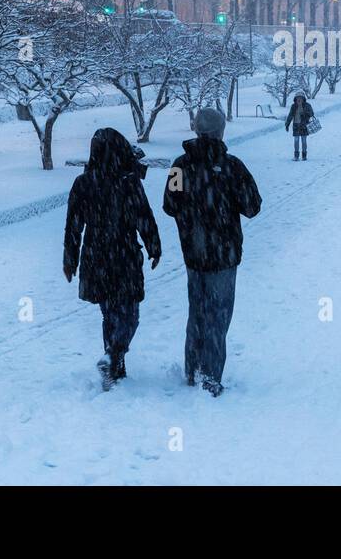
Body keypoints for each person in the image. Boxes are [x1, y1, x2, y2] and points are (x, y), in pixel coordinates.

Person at [162, 108, 262, 396]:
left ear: (196, 131)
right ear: (220, 132)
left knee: (197, 313)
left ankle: (192, 368)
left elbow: (170, 205)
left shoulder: (180, 166)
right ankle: (211, 376)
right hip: (224, 255)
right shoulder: (232, 167)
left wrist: (192, 216)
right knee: (218, 316)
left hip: (193, 254)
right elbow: (252, 207)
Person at [64, 127, 162, 390]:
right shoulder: (128, 181)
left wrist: (70, 259)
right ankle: (114, 358)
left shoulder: (84, 183)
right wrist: (154, 246)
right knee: (129, 315)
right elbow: (144, 216)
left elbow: (73, 226)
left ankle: (115, 367)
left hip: (96, 258)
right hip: (123, 256)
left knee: (109, 315)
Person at [284, 93, 315, 161]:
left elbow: (312, 113)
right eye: (298, 98)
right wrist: (287, 124)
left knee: (304, 141)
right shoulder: (293, 106)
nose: (299, 99)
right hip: (296, 125)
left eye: (300, 98)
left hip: (304, 125)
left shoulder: (307, 105)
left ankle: (304, 156)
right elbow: (290, 115)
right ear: (295, 99)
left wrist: (305, 114)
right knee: (296, 141)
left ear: (303, 99)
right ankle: (296, 156)